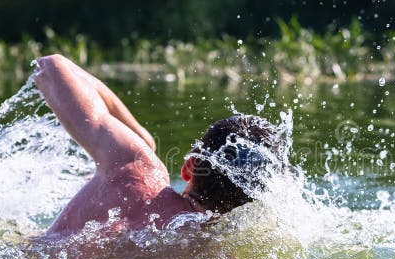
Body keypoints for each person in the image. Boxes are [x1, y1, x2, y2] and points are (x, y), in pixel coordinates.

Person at [32, 54, 286, 244]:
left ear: (189, 166)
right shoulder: (220, 258)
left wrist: (142, 137)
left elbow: (52, 66)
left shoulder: (137, 169)